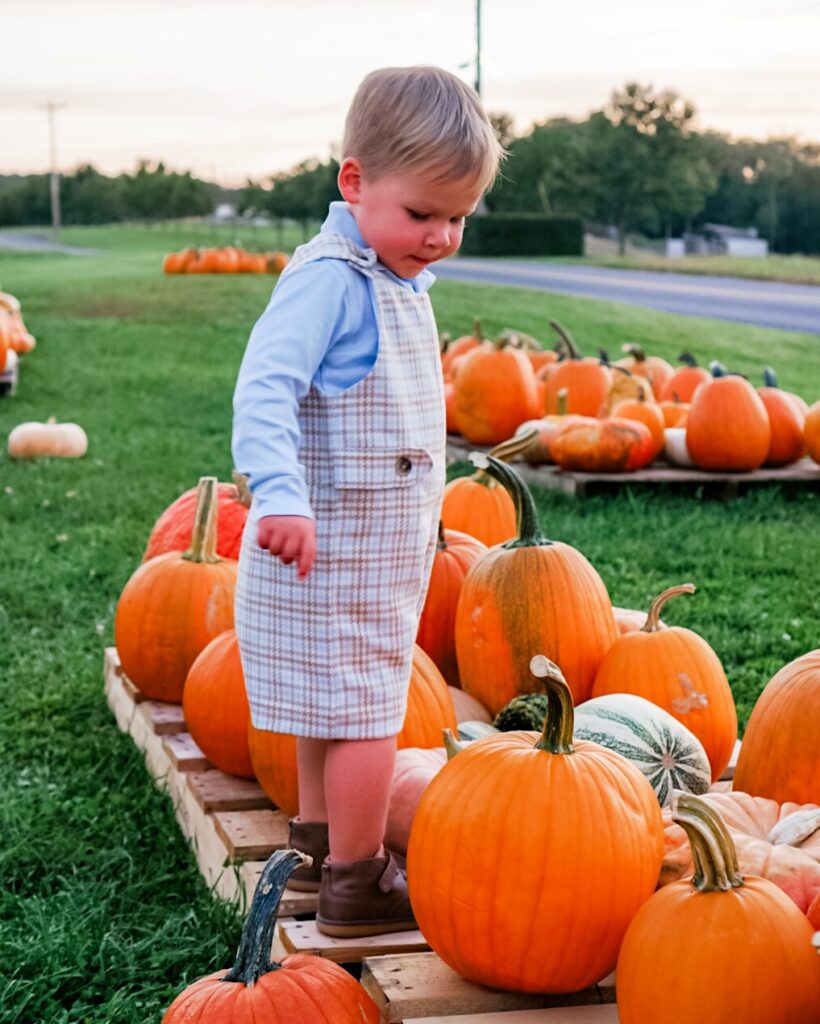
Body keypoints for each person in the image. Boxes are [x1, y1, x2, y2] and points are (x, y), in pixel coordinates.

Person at [232, 65, 503, 937]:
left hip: (357, 551)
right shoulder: (330, 281)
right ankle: (357, 880)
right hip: (332, 547)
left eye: (457, 218)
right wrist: (277, 493)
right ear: (354, 183)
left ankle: (313, 854)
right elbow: (264, 388)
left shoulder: (385, 274)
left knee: (328, 706)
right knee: (364, 722)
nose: (439, 236)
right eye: (421, 214)